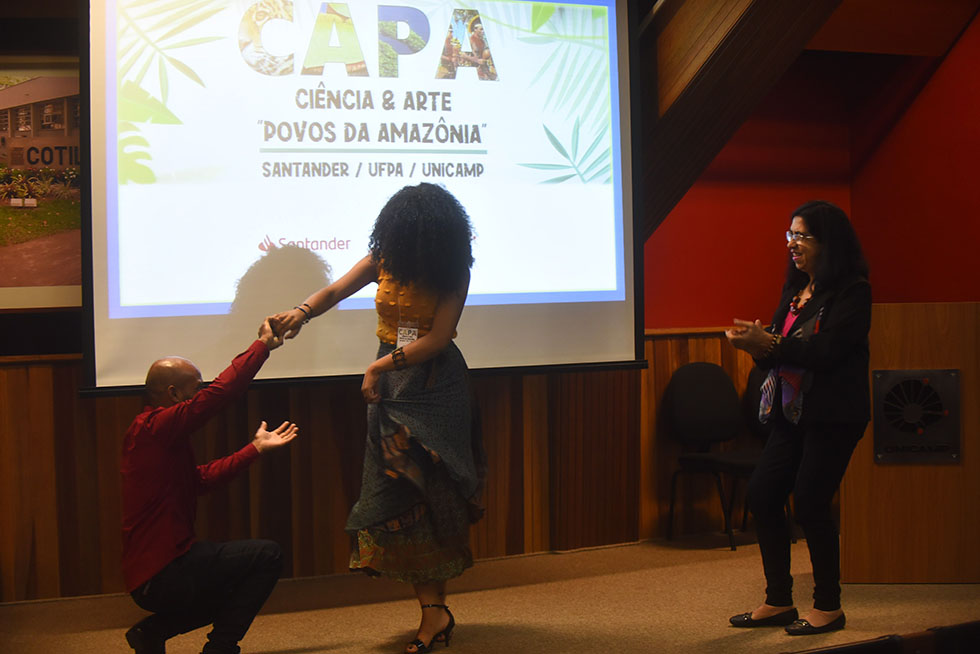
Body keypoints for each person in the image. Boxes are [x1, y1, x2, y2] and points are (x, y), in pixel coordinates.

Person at [273, 182, 484, 654]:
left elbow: (439, 339)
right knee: (397, 491)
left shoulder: (452, 270)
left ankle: (434, 613)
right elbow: (333, 290)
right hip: (391, 385)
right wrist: (300, 312)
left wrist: (378, 366)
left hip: (433, 386)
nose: (403, 244)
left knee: (433, 492)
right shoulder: (384, 258)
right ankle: (434, 609)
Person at [725, 201, 871, 636]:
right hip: (791, 413)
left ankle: (829, 607)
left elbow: (825, 355)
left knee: (809, 502)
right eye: (789, 235)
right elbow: (776, 358)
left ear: (828, 242)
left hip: (833, 415)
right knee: (764, 493)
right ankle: (779, 600)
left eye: (802, 236)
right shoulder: (795, 293)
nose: (792, 244)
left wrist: (767, 344)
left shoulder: (852, 292)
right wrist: (755, 345)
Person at [122, 318, 299, 654]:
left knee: (238, 582)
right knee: (266, 556)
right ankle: (220, 648)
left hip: (161, 570)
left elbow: (199, 480)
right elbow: (223, 393)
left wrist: (255, 449)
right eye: (196, 387)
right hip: (162, 572)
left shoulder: (155, 436)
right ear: (173, 393)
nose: (201, 393)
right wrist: (261, 345)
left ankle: (152, 633)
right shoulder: (155, 426)